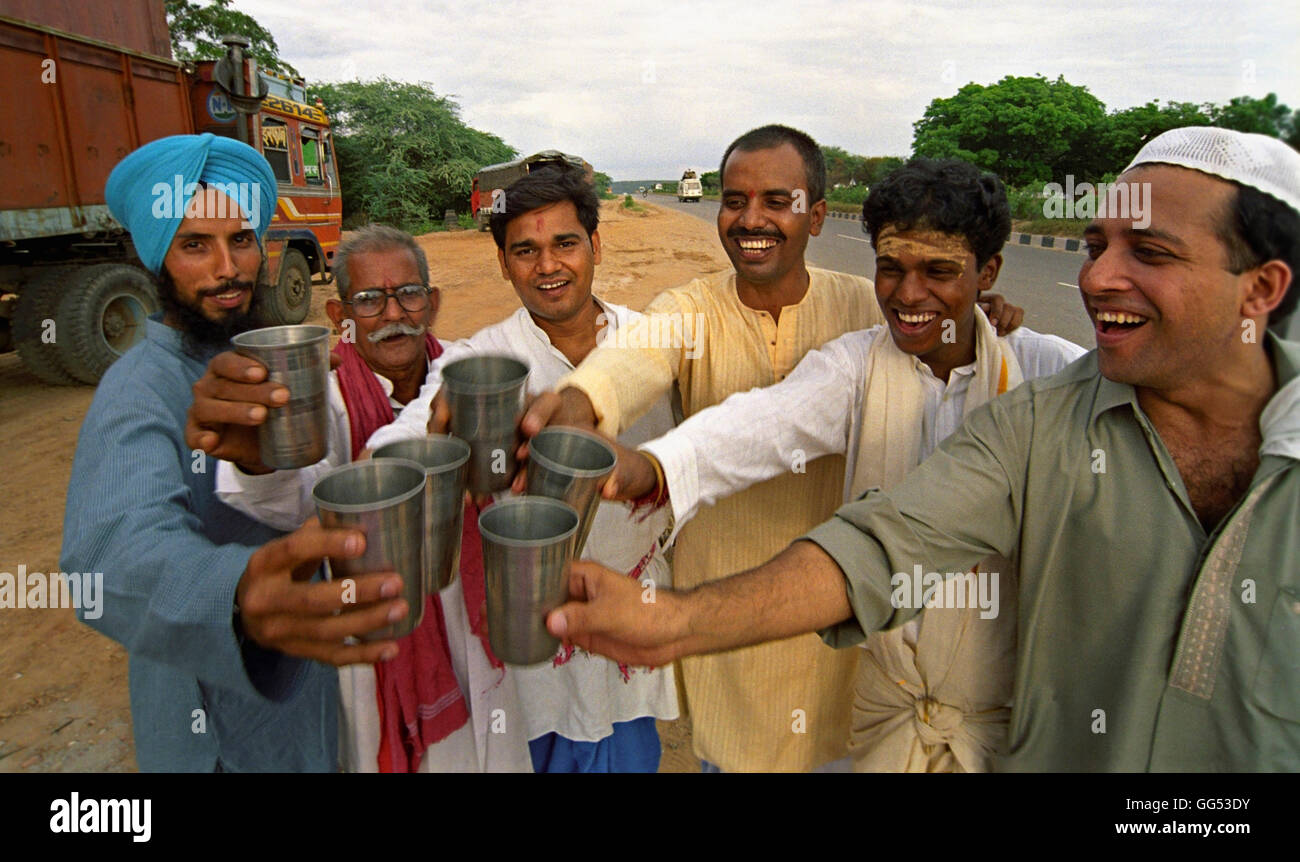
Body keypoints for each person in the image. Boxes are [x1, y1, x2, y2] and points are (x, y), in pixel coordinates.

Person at [545, 126, 1300, 771]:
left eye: (939, 272)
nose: (1098, 277)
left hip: (996, 723)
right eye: (1096, 246)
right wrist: (651, 472)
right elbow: (784, 448)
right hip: (875, 691)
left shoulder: (1041, 375)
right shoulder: (992, 400)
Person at [522, 125, 1023, 772]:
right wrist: (576, 403)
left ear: (815, 215)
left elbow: (945, 331)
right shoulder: (689, 309)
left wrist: (978, 316)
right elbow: (630, 365)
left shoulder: (872, 311)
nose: (750, 219)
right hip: (725, 621)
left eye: (775, 201)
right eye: (734, 200)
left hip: (853, 629)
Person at [61, 134, 401, 772]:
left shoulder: (252, 356)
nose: (229, 268)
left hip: (301, 693)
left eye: (241, 240)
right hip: (216, 724)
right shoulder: (141, 387)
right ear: (157, 258)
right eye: (195, 245)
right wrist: (235, 592)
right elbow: (106, 558)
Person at [369, 163, 678, 772]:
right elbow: (402, 438)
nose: (548, 266)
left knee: (629, 752)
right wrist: (411, 447)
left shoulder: (652, 344)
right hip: (529, 631)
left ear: (595, 244)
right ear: (503, 262)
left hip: (630, 618)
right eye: (525, 251)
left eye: (565, 243)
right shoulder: (481, 358)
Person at [194, 224, 531, 772]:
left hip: (473, 615)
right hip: (379, 632)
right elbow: (289, 504)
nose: (393, 313)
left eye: (409, 293)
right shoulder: (321, 397)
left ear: (433, 301)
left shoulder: (467, 375)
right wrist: (258, 460)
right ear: (338, 315)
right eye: (369, 300)